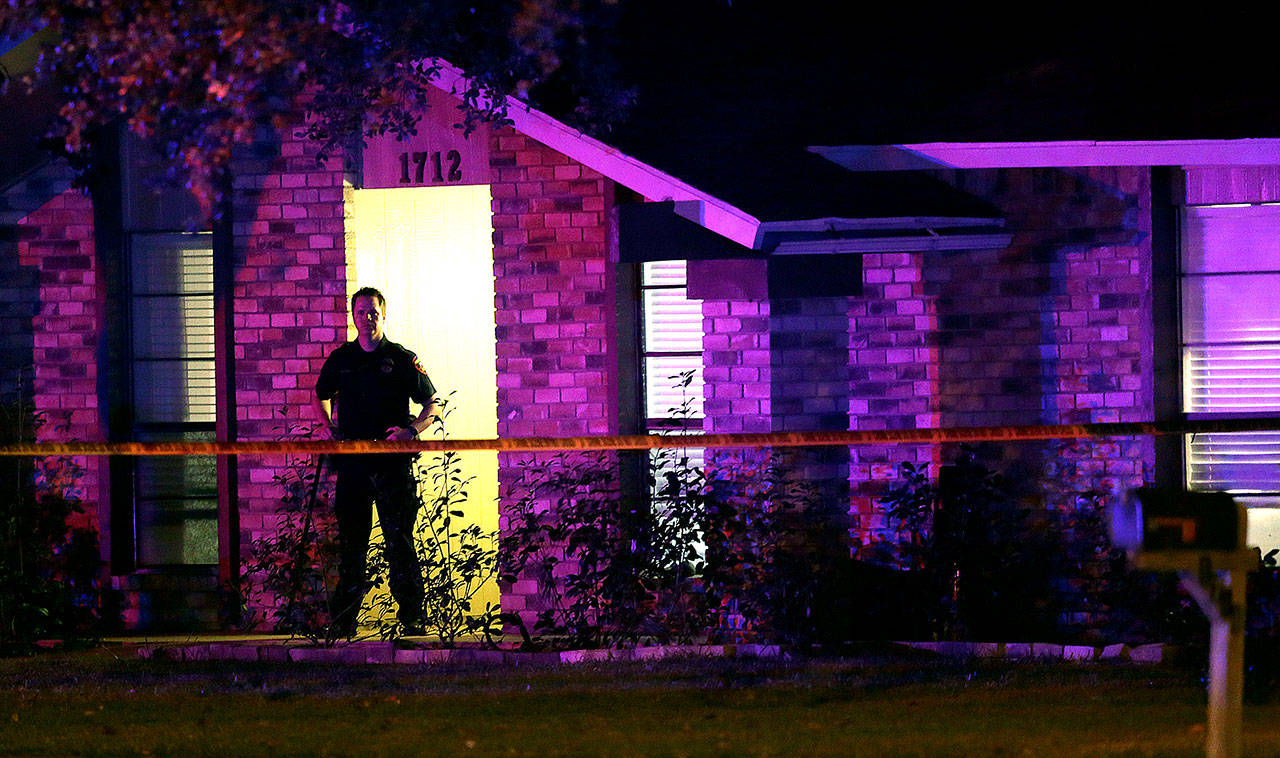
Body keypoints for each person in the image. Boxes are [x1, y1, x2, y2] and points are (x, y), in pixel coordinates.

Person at [313, 286, 440, 636]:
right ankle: (344, 624)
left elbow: (433, 405)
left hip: (392, 466)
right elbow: (321, 395)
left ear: (384, 315)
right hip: (353, 466)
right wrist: (331, 427)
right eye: (360, 312)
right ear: (352, 316)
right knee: (352, 545)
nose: (367, 318)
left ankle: (413, 619)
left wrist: (411, 432)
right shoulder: (341, 360)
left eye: (373, 312)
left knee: (399, 541)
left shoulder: (401, 359)